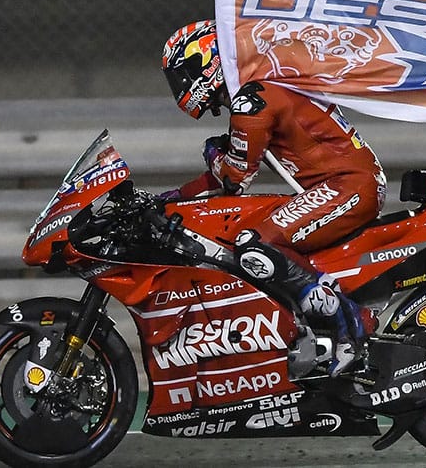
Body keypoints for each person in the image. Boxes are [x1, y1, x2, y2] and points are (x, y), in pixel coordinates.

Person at [159, 20, 386, 375]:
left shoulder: (252, 101)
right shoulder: (261, 86)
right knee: (255, 239)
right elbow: (220, 179)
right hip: (345, 183)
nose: (181, 86)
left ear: (206, 61)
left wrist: (213, 155)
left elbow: (234, 179)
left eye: (183, 75)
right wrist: (171, 199)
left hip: (347, 186)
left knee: (255, 246)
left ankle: (351, 323)